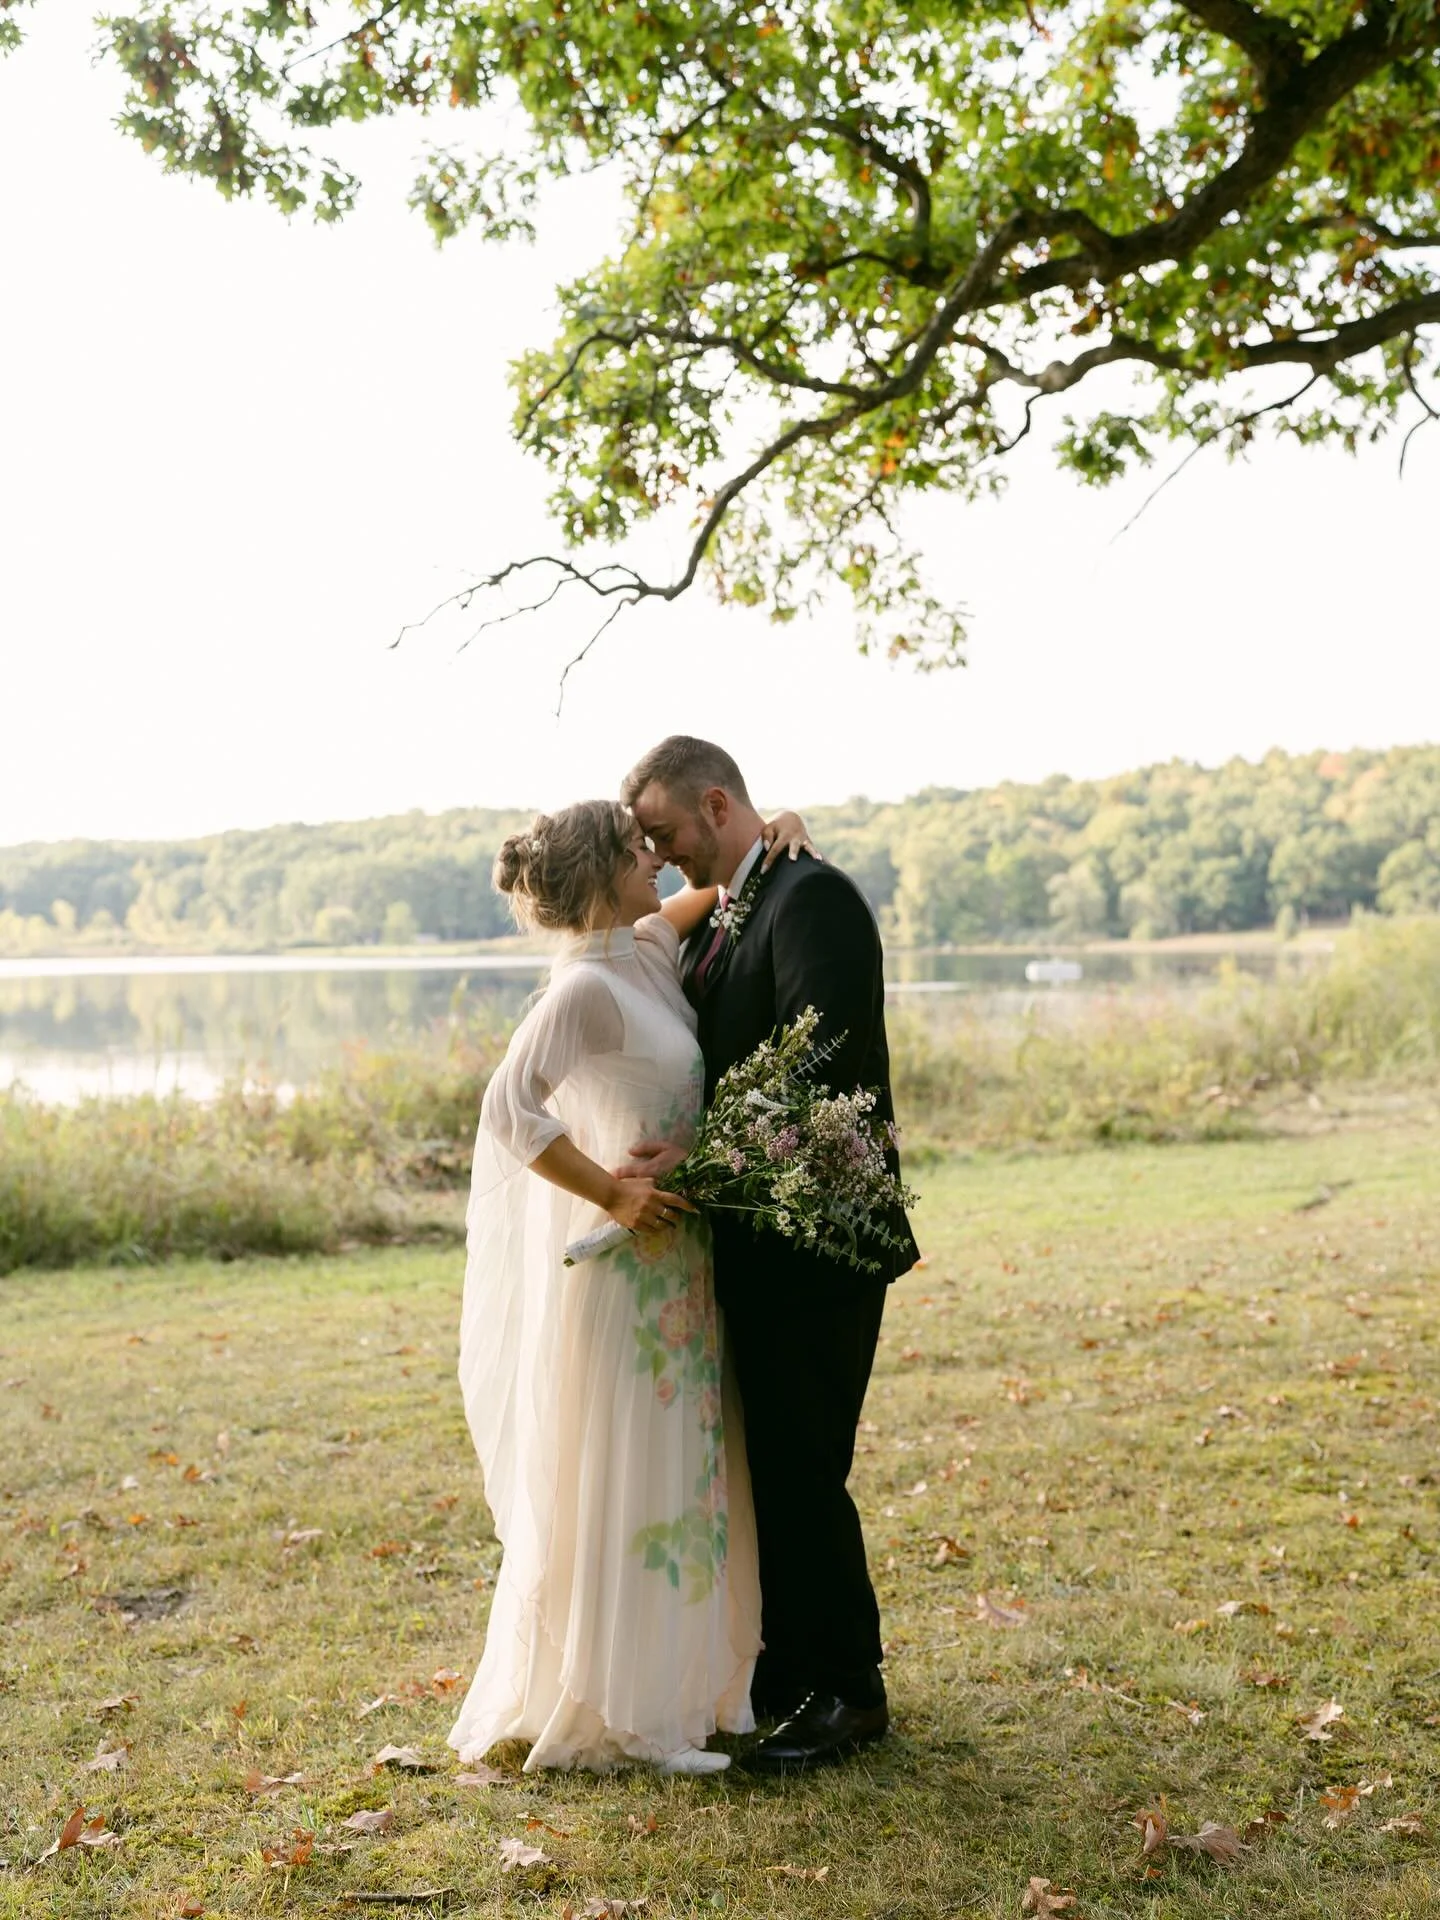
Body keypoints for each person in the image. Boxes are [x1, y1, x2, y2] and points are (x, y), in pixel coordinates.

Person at [447, 798, 815, 1776]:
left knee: (687, 1470)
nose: (652, 856)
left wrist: (772, 834)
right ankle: (621, 1707)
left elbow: (709, 891)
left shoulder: (644, 947)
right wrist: (610, 1190)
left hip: (681, 1273)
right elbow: (507, 1108)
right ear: (597, 875)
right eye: (632, 848)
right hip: (625, 1273)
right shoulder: (581, 992)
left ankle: (689, 1686)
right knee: (632, 1473)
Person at [622, 738, 919, 1773]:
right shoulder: (737, 901)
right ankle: (789, 1676)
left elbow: (822, 1061)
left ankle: (849, 1693)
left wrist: (697, 1159)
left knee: (806, 1470)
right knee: (775, 1470)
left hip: (822, 1241)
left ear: (716, 803)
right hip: (754, 1239)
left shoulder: (812, 901)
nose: (656, 855)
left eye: (664, 832)